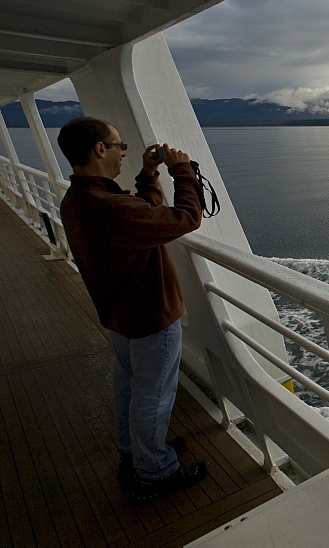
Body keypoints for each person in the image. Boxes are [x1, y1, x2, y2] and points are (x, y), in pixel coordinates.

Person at [57, 116, 207, 500]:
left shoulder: (82, 199)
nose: (124, 151)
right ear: (99, 149)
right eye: (119, 145)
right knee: (153, 394)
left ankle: (134, 450)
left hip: (120, 314)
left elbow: (142, 215)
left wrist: (148, 175)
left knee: (128, 384)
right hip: (149, 316)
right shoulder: (105, 206)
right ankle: (155, 470)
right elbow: (186, 218)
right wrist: (183, 173)